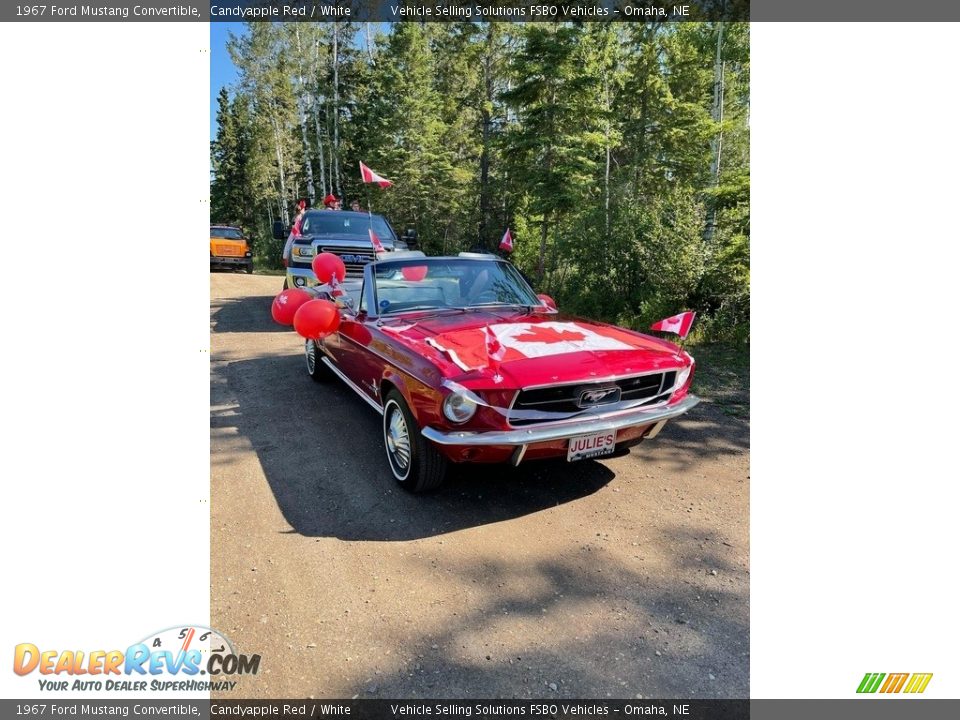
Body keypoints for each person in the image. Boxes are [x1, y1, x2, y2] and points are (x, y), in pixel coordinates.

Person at [282, 199, 308, 265]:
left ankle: (286, 257)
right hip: (296, 233)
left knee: (288, 246)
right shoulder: (298, 217)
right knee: (289, 245)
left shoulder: (301, 216)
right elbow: (294, 228)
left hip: (300, 234)